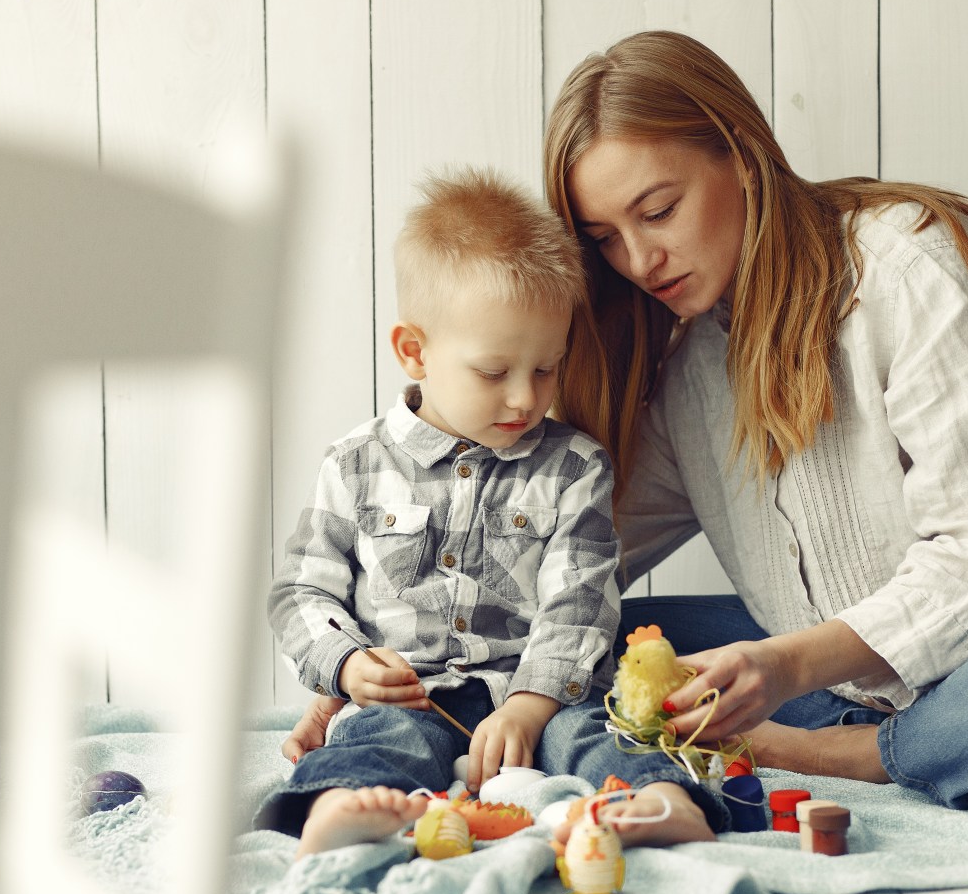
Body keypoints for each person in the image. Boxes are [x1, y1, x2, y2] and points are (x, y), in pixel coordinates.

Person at [539, 29, 968, 809]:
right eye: (606, 240)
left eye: (658, 211)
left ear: (742, 155)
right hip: (938, 684)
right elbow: (580, 547)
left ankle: (873, 751)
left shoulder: (913, 265)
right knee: (591, 640)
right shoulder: (693, 369)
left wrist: (786, 666)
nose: (639, 261)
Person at [258, 168, 723, 857]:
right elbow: (301, 591)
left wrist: (530, 705)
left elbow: (580, 603)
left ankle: (668, 801)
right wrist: (346, 665)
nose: (524, 398)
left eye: (546, 369)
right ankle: (338, 807)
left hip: (541, 691)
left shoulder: (574, 468)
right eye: (494, 371)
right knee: (377, 735)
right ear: (415, 352)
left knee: (593, 731)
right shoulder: (354, 465)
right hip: (414, 695)